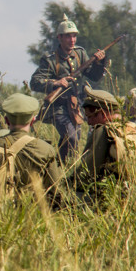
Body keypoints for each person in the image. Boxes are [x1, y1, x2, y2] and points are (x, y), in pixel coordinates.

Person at [0, 92, 63, 212]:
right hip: (32, 213)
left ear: (6, 120)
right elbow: (55, 190)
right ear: (32, 121)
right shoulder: (46, 149)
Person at [29, 15, 107, 162]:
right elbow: (34, 82)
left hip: (74, 106)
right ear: (60, 37)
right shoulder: (50, 59)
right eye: (68, 37)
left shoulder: (80, 53)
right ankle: (57, 168)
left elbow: (94, 76)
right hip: (57, 107)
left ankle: (56, 167)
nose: (72, 40)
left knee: (74, 141)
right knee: (71, 138)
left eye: (74, 36)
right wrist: (56, 82)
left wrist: (100, 62)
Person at [70, 87, 136, 204]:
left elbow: (86, 172)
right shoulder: (133, 129)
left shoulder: (104, 131)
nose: (89, 122)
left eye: (90, 117)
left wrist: (66, 183)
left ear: (103, 113)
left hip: (114, 199)